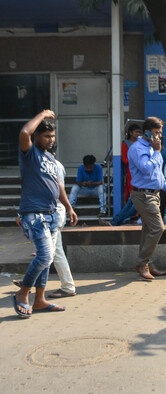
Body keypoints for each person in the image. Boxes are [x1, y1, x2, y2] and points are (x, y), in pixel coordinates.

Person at [13, 110, 78, 318]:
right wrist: (42, 114)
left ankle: (40, 300)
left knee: (48, 259)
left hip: (51, 214)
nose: (51, 140)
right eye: (46, 136)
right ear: (37, 136)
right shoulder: (29, 152)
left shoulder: (49, 158)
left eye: (52, 136)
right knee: (45, 255)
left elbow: (58, 185)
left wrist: (69, 207)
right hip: (34, 213)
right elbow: (24, 132)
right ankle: (23, 293)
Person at [128, 116, 166, 280]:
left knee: (149, 229)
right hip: (143, 195)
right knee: (158, 228)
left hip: (154, 193)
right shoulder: (138, 149)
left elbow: (157, 173)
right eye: (157, 132)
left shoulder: (151, 147)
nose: (159, 136)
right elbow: (146, 170)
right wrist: (157, 152)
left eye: (160, 133)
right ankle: (142, 263)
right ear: (148, 132)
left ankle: (147, 263)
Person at [122, 123, 142, 202]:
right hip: (131, 171)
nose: (138, 134)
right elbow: (124, 159)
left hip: (141, 169)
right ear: (130, 133)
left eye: (139, 132)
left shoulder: (141, 143)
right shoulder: (125, 143)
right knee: (132, 190)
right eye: (136, 132)